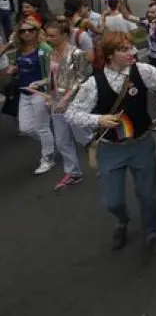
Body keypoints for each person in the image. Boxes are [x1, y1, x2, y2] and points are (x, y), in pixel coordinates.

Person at [65, 32, 156, 255]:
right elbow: (72, 113)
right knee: (113, 201)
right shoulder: (94, 83)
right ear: (110, 56)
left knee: (147, 195)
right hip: (111, 150)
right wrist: (98, 119)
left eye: (132, 47)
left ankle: (151, 232)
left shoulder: (142, 71)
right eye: (124, 49)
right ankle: (122, 220)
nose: (132, 52)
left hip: (141, 144)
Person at [40, 20, 93, 190]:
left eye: (53, 36)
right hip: (57, 99)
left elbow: (83, 78)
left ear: (64, 35)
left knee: (83, 137)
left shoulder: (76, 53)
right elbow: (53, 76)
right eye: (47, 35)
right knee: (62, 139)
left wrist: (67, 98)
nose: (49, 39)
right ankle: (73, 173)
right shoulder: (50, 53)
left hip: (74, 101)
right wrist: (44, 88)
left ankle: (104, 161)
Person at [7, 17, 55, 174]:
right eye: (23, 31)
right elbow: (17, 67)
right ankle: (52, 145)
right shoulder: (19, 50)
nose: (27, 33)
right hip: (24, 92)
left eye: (30, 30)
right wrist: (13, 70)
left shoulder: (45, 49)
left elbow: (53, 74)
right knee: (26, 128)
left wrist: (42, 86)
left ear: (37, 31)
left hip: (40, 93)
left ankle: (48, 157)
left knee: (42, 127)